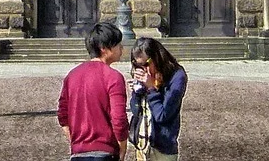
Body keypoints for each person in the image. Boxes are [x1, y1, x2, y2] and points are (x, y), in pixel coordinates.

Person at [57, 21, 129, 161]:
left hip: (78, 152)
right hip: (105, 151)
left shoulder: (72, 76)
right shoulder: (113, 77)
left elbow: (63, 116)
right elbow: (118, 118)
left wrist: (77, 141)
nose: (121, 48)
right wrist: (122, 148)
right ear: (104, 48)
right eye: (117, 44)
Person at [128, 37, 187, 160]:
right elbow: (135, 111)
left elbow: (162, 115)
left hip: (163, 148)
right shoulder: (145, 75)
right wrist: (137, 92)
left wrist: (151, 89)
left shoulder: (176, 77)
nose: (143, 69)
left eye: (145, 64)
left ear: (156, 57)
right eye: (137, 65)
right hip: (142, 143)